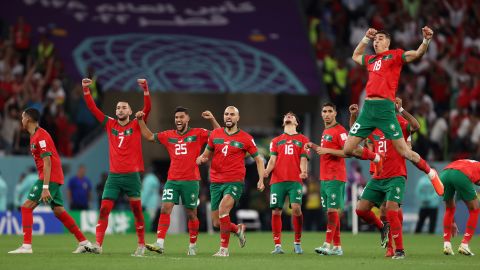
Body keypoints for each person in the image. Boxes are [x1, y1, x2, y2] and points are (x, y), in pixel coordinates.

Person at [344, 26, 443, 196]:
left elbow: (417, 54)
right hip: (368, 110)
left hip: (385, 110)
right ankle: (377, 158)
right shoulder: (371, 60)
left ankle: (431, 173)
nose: (377, 41)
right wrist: (366, 38)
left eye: (380, 39)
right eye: (375, 40)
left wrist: (426, 40)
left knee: (404, 152)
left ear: (388, 43)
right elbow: (355, 55)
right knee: (347, 149)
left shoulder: (395, 55)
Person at [136, 106, 220, 255]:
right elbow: (149, 136)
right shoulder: (168, 135)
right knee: (165, 208)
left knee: (191, 214)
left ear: (187, 118)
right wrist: (140, 120)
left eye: (181, 117)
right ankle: (160, 243)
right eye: (176, 118)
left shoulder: (198, 133)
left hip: (191, 180)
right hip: (172, 180)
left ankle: (192, 246)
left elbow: (219, 136)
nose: (178, 120)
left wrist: (212, 119)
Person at [82, 78, 151, 256]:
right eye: (118, 108)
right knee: (104, 208)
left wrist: (145, 90)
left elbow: (147, 109)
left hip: (132, 176)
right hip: (114, 176)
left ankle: (141, 245)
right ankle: (98, 244)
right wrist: (86, 90)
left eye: (124, 107)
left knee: (136, 210)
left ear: (129, 111)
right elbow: (93, 109)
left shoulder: (136, 124)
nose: (120, 110)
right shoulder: (110, 124)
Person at [8, 108, 91, 254]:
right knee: (59, 211)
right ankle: (84, 242)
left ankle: (26, 246)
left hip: (49, 177)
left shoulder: (41, 136)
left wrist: (45, 186)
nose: (21, 120)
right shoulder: (34, 136)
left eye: (22, 117)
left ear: (27, 119)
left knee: (26, 207)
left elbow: (47, 162)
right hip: (51, 177)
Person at [350, 98, 420, 259]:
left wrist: (401, 110)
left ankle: (398, 250)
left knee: (390, 209)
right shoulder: (373, 126)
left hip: (396, 175)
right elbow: (354, 133)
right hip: (378, 176)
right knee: (360, 209)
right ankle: (383, 228)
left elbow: (416, 126)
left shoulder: (399, 124)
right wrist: (354, 116)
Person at [196, 106, 265, 257]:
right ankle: (237, 229)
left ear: (237, 118)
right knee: (216, 223)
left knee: (223, 209)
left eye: (232, 114)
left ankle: (223, 250)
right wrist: (202, 158)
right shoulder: (215, 134)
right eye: (226, 114)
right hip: (215, 182)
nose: (228, 117)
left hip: (234, 182)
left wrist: (261, 179)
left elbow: (259, 160)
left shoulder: (246, 138)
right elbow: (207, 154)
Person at [264, 112, 309, 254]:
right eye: (286, 116)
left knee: (296, 208)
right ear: (283, 122)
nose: (288, 116)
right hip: (277, 180)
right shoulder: (276, 141)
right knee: (276, 210)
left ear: (296, 122)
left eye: (292, 115)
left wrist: (304, 171)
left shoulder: (303, 139)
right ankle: (277, 245)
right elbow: (272, 160)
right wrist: (266, 171)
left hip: (295, 180)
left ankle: (297, 242)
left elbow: (303, 159)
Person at [306, 102, 348, 256]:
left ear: (335, 113)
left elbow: (347, 152)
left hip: (336, 176)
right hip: (325, 177)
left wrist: (326, 150)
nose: (327, 114)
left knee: (332, 210)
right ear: (321, 113)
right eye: (324, 111)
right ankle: (337, 247)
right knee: (331, 212)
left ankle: (326, 244)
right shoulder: (326, 131)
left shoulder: (341, 131)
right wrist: (312, 145)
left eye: (330, 111)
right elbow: (324, 152)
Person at [441, 159, 480, 256]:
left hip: (445, 174)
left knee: (449, 209)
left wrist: (452, 222)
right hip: (460, 174)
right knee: (475, 209)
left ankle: (447, 244)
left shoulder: (471, 163)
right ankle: (465, 244)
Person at [140, 168, 160, 233]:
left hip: (149, 204)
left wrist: (142, 204)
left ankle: (149, 234)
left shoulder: (148, 179)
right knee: (154, 221)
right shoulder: (155, 179)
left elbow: (146, 192)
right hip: (156, 202)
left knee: (149, 221)